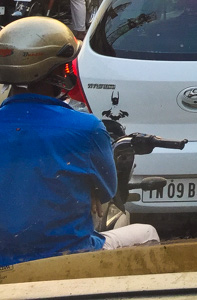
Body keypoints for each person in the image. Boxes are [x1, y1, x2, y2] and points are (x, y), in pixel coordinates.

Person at [0, 18, 160, 265]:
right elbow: (106, 191)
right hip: (70, 257)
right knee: (147, 233)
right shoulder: (86, 128)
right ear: (56, 73)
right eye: (66, 68)